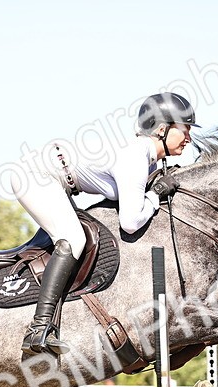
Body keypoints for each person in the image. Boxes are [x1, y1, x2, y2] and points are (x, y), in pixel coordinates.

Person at [14, 92, 198, 356]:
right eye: (185, 129)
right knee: (74, 239)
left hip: (55, 178)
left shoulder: (144, 158)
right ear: (161, 129)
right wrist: (156, 194)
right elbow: (131, 222)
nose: (189, 137)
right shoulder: (135, 156)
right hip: (36, 175)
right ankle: (39, 328)